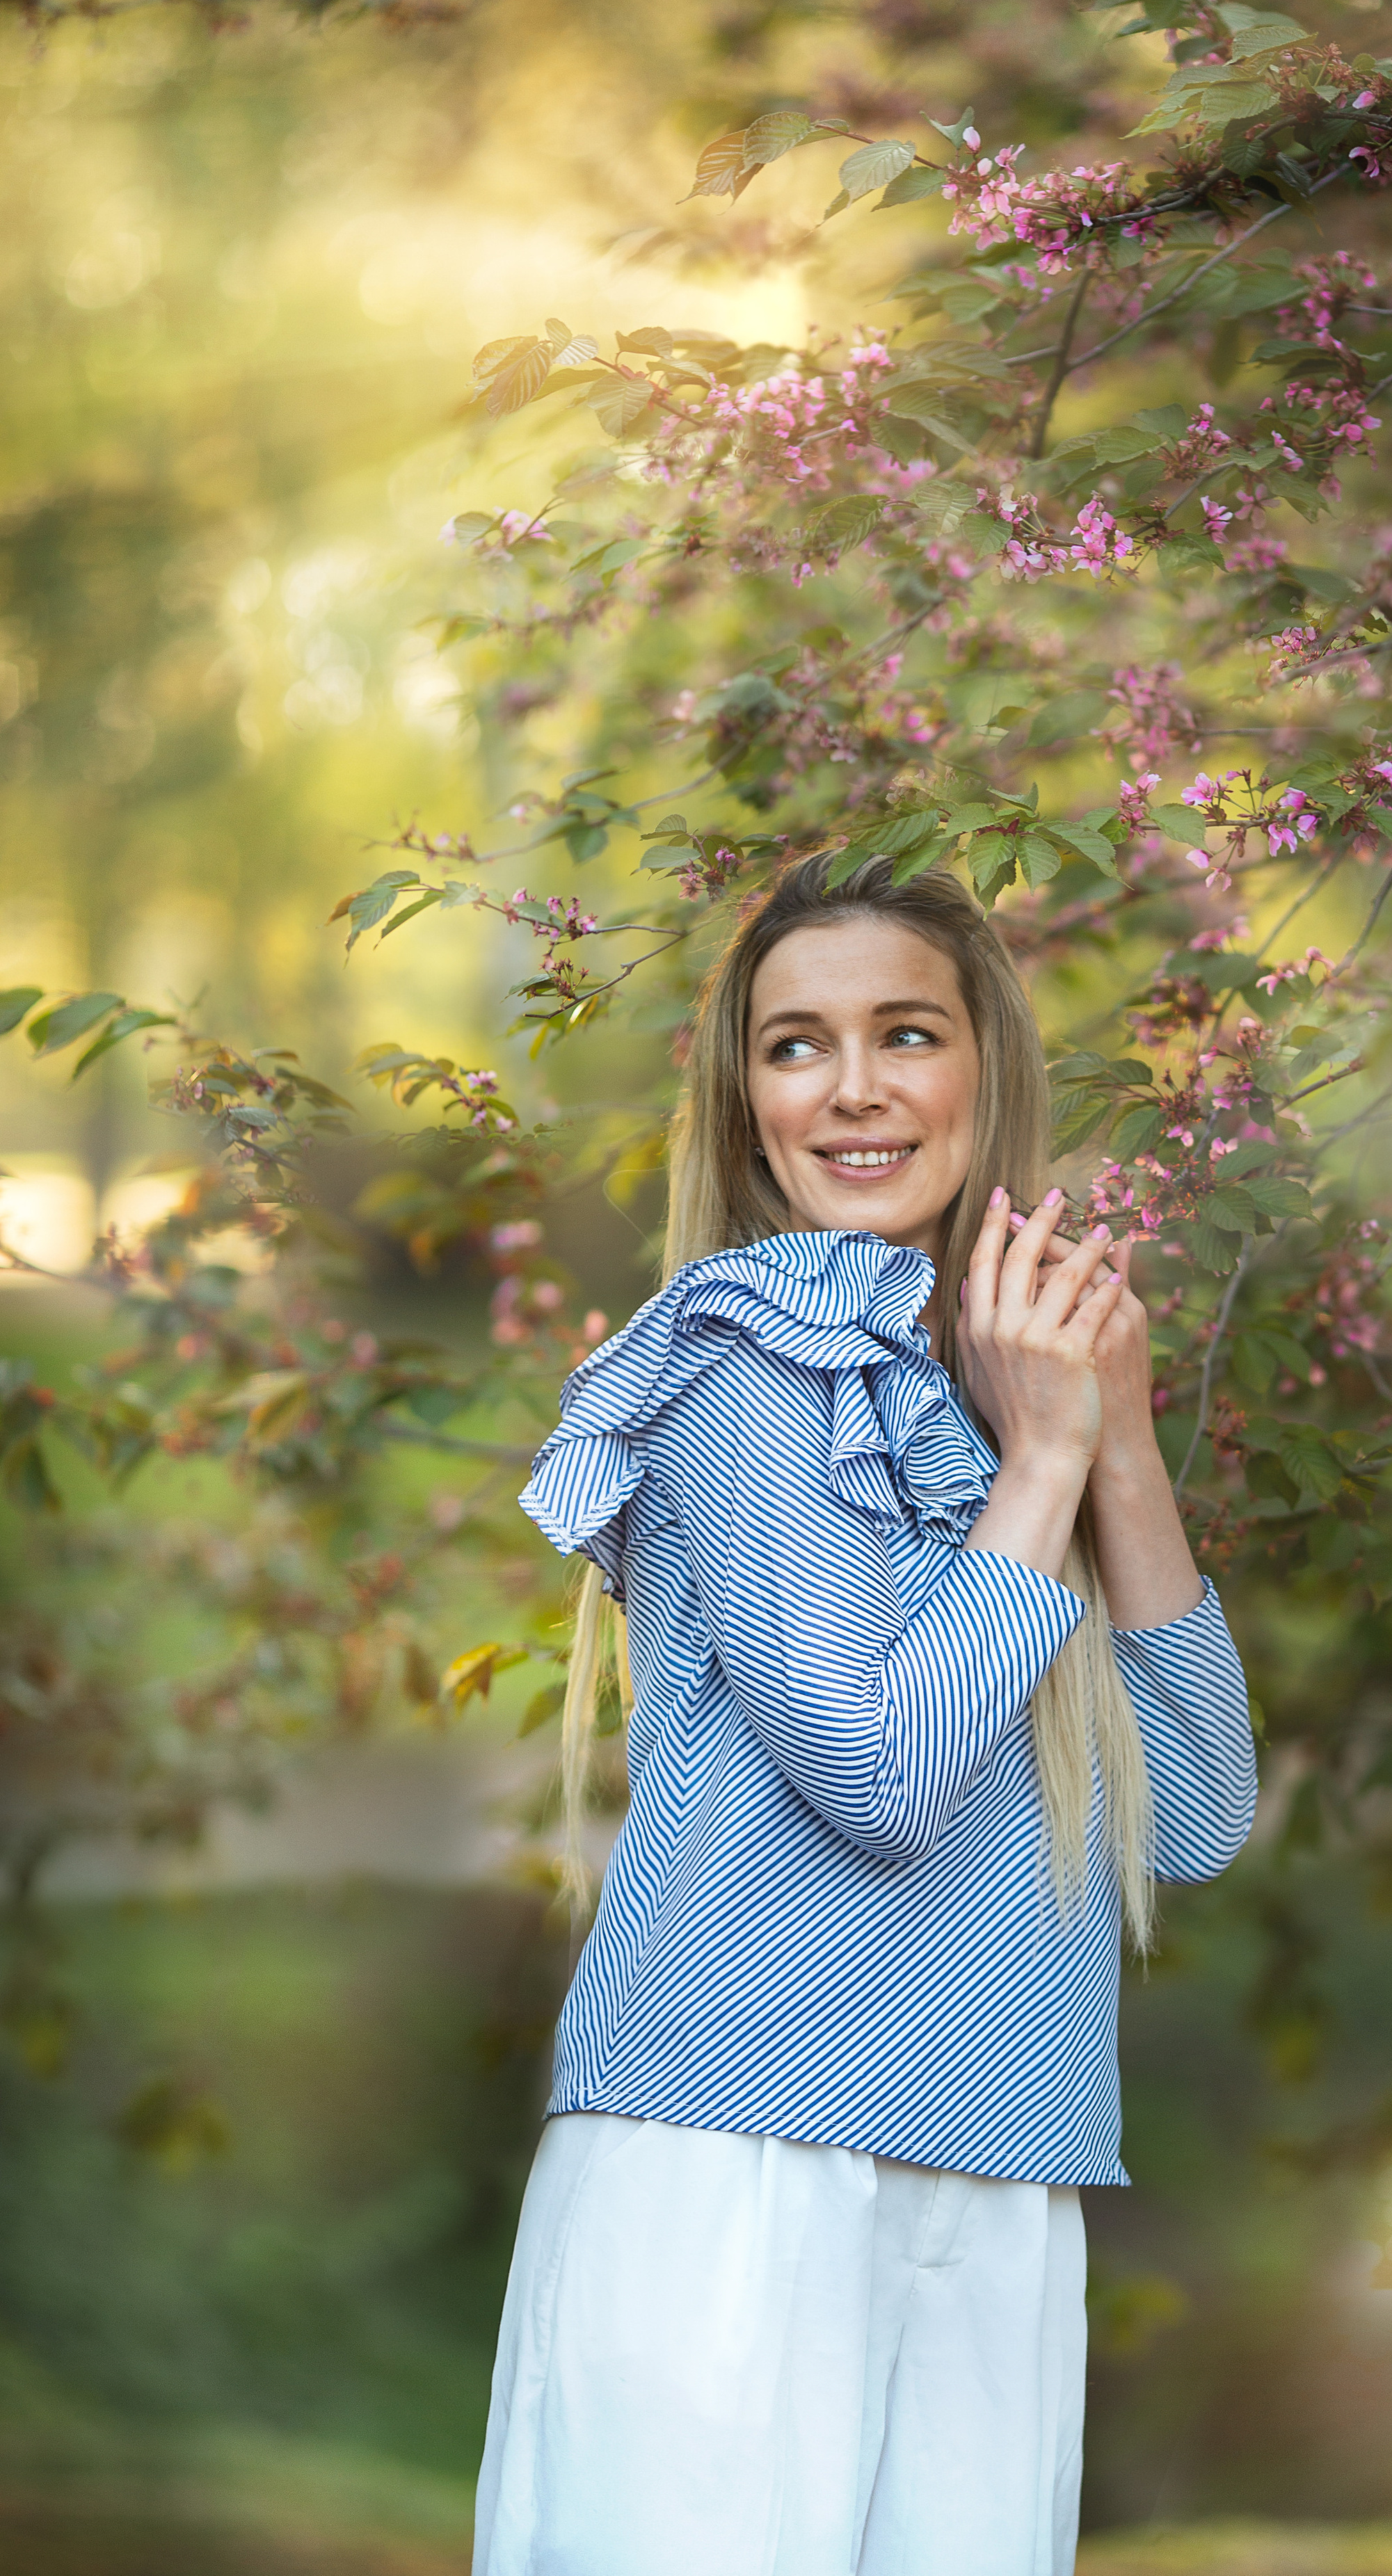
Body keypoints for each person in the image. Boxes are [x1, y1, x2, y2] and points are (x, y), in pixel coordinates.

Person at [474, 852, 1256, 2576]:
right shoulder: (745, 1357)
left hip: (993, 2160)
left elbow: (1195, 1815)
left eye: (903, 1035)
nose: (850, 1091)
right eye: (794, 1046)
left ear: (983, 1070)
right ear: (742, 1100)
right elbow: (879, 1776)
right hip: (733, 2161)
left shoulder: (987, 1404)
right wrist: (1042, 1465)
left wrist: (1107, 1436)